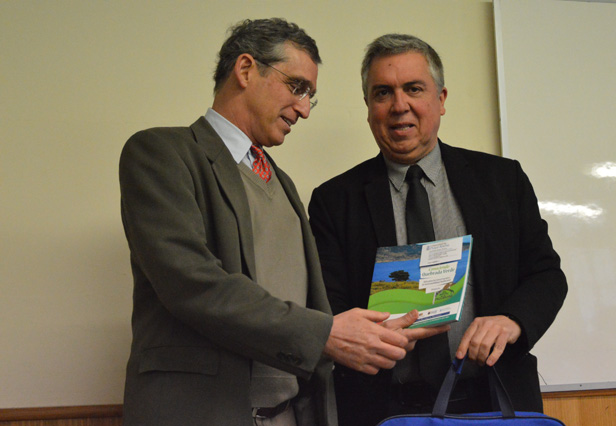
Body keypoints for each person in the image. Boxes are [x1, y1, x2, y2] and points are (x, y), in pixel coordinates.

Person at [119, 20, 444, 426]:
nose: (304, 109)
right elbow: (190, 283)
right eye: (297, 87)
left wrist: (371, 330)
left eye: (310, 96)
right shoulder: (161, 153)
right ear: (245, 69)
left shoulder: (283, 182)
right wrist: (324, 334)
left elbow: (309, 301)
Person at [308, 33, 568, 426]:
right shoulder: (334, 200)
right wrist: (369, 336)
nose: (399, 105)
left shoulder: (502, 180)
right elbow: (327, 304)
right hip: (382, 409)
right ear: (368, 106)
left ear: (441, 99)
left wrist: (512, 320)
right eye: (383, 93)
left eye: (414, 89)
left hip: (494, 401)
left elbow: (546, 274)